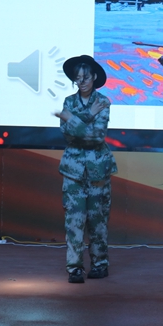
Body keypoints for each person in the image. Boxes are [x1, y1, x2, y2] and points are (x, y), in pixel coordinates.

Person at [54, 55, 117, 284]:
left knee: (97, 220)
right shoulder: (69, 102)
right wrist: (88, 115)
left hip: (98, 169)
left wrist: (72, 120)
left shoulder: (103, 101)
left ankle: (100, 264)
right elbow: (66, 133)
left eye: (86, 77)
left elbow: (97, 136)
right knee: (74, 219)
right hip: (73, 170)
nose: (81, 82)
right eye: (77, 78)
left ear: (94, 77)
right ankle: (75, 268)